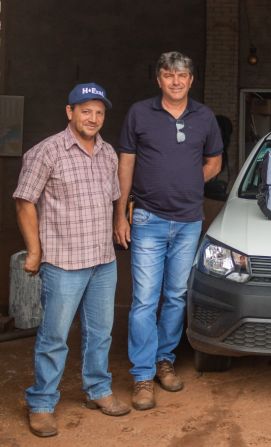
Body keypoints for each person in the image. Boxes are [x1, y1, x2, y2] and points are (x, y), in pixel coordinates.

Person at [13, 83, 130, 437]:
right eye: (85, 110)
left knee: (100, 333)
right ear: (70, 112)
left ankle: (98, 390)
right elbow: (24, 202)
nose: (92, 118)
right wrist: (35, 250)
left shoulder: (108, 153)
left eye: (99, 112)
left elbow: (113, 200)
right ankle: (42, 403)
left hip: (101, 261)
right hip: (63, 262)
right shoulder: (45, 152)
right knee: (54, 337)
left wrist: (120, 222)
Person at [113, 51, 223, 410]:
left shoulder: (204, 117)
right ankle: (142, 375)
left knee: (175, 295)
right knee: (145, 299)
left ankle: (165, 361)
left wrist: (191, 183)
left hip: (189, 220)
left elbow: (214, 161)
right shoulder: (139, 114)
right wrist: (121, 214)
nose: (176, 81)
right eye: (168, 75)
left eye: (182, 76)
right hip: (147, 217)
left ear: (191, 81)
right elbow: (125, 163)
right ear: (159, 79)